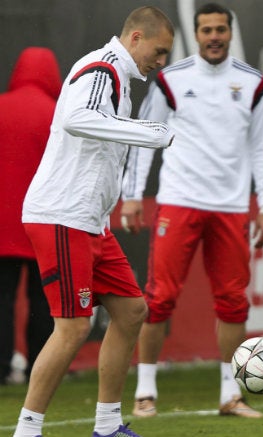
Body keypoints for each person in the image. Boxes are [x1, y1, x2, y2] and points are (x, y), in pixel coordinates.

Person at [13, 7, 174, 437]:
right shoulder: (103, 67)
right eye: (159, 51)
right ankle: (27, 431)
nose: (161, 62)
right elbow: (76, 119)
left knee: (131, 310)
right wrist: (153, 132)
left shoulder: (117, 78)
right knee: (73, 327)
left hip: (89, 222)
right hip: (62, 215)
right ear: (136, 38)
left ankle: (106, 427)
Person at [120, 2, 263, 419]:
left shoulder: (253, 83)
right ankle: (146, 389)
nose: (213, 37)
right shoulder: (172, 79)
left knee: (232, 301)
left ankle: (231, 393)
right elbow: (145, 134)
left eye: (220, 30)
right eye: (206, 30)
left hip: (229, 207)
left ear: (230, 33)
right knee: (159, 298)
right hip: (179, 200)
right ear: (196, 34)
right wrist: (133, 194)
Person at [0, 47, 59, 386]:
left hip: (2, 223)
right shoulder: (57, 114)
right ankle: (41, 366)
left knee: (1, 299)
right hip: (43, 223)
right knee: (43, 301)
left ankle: (2, 368)